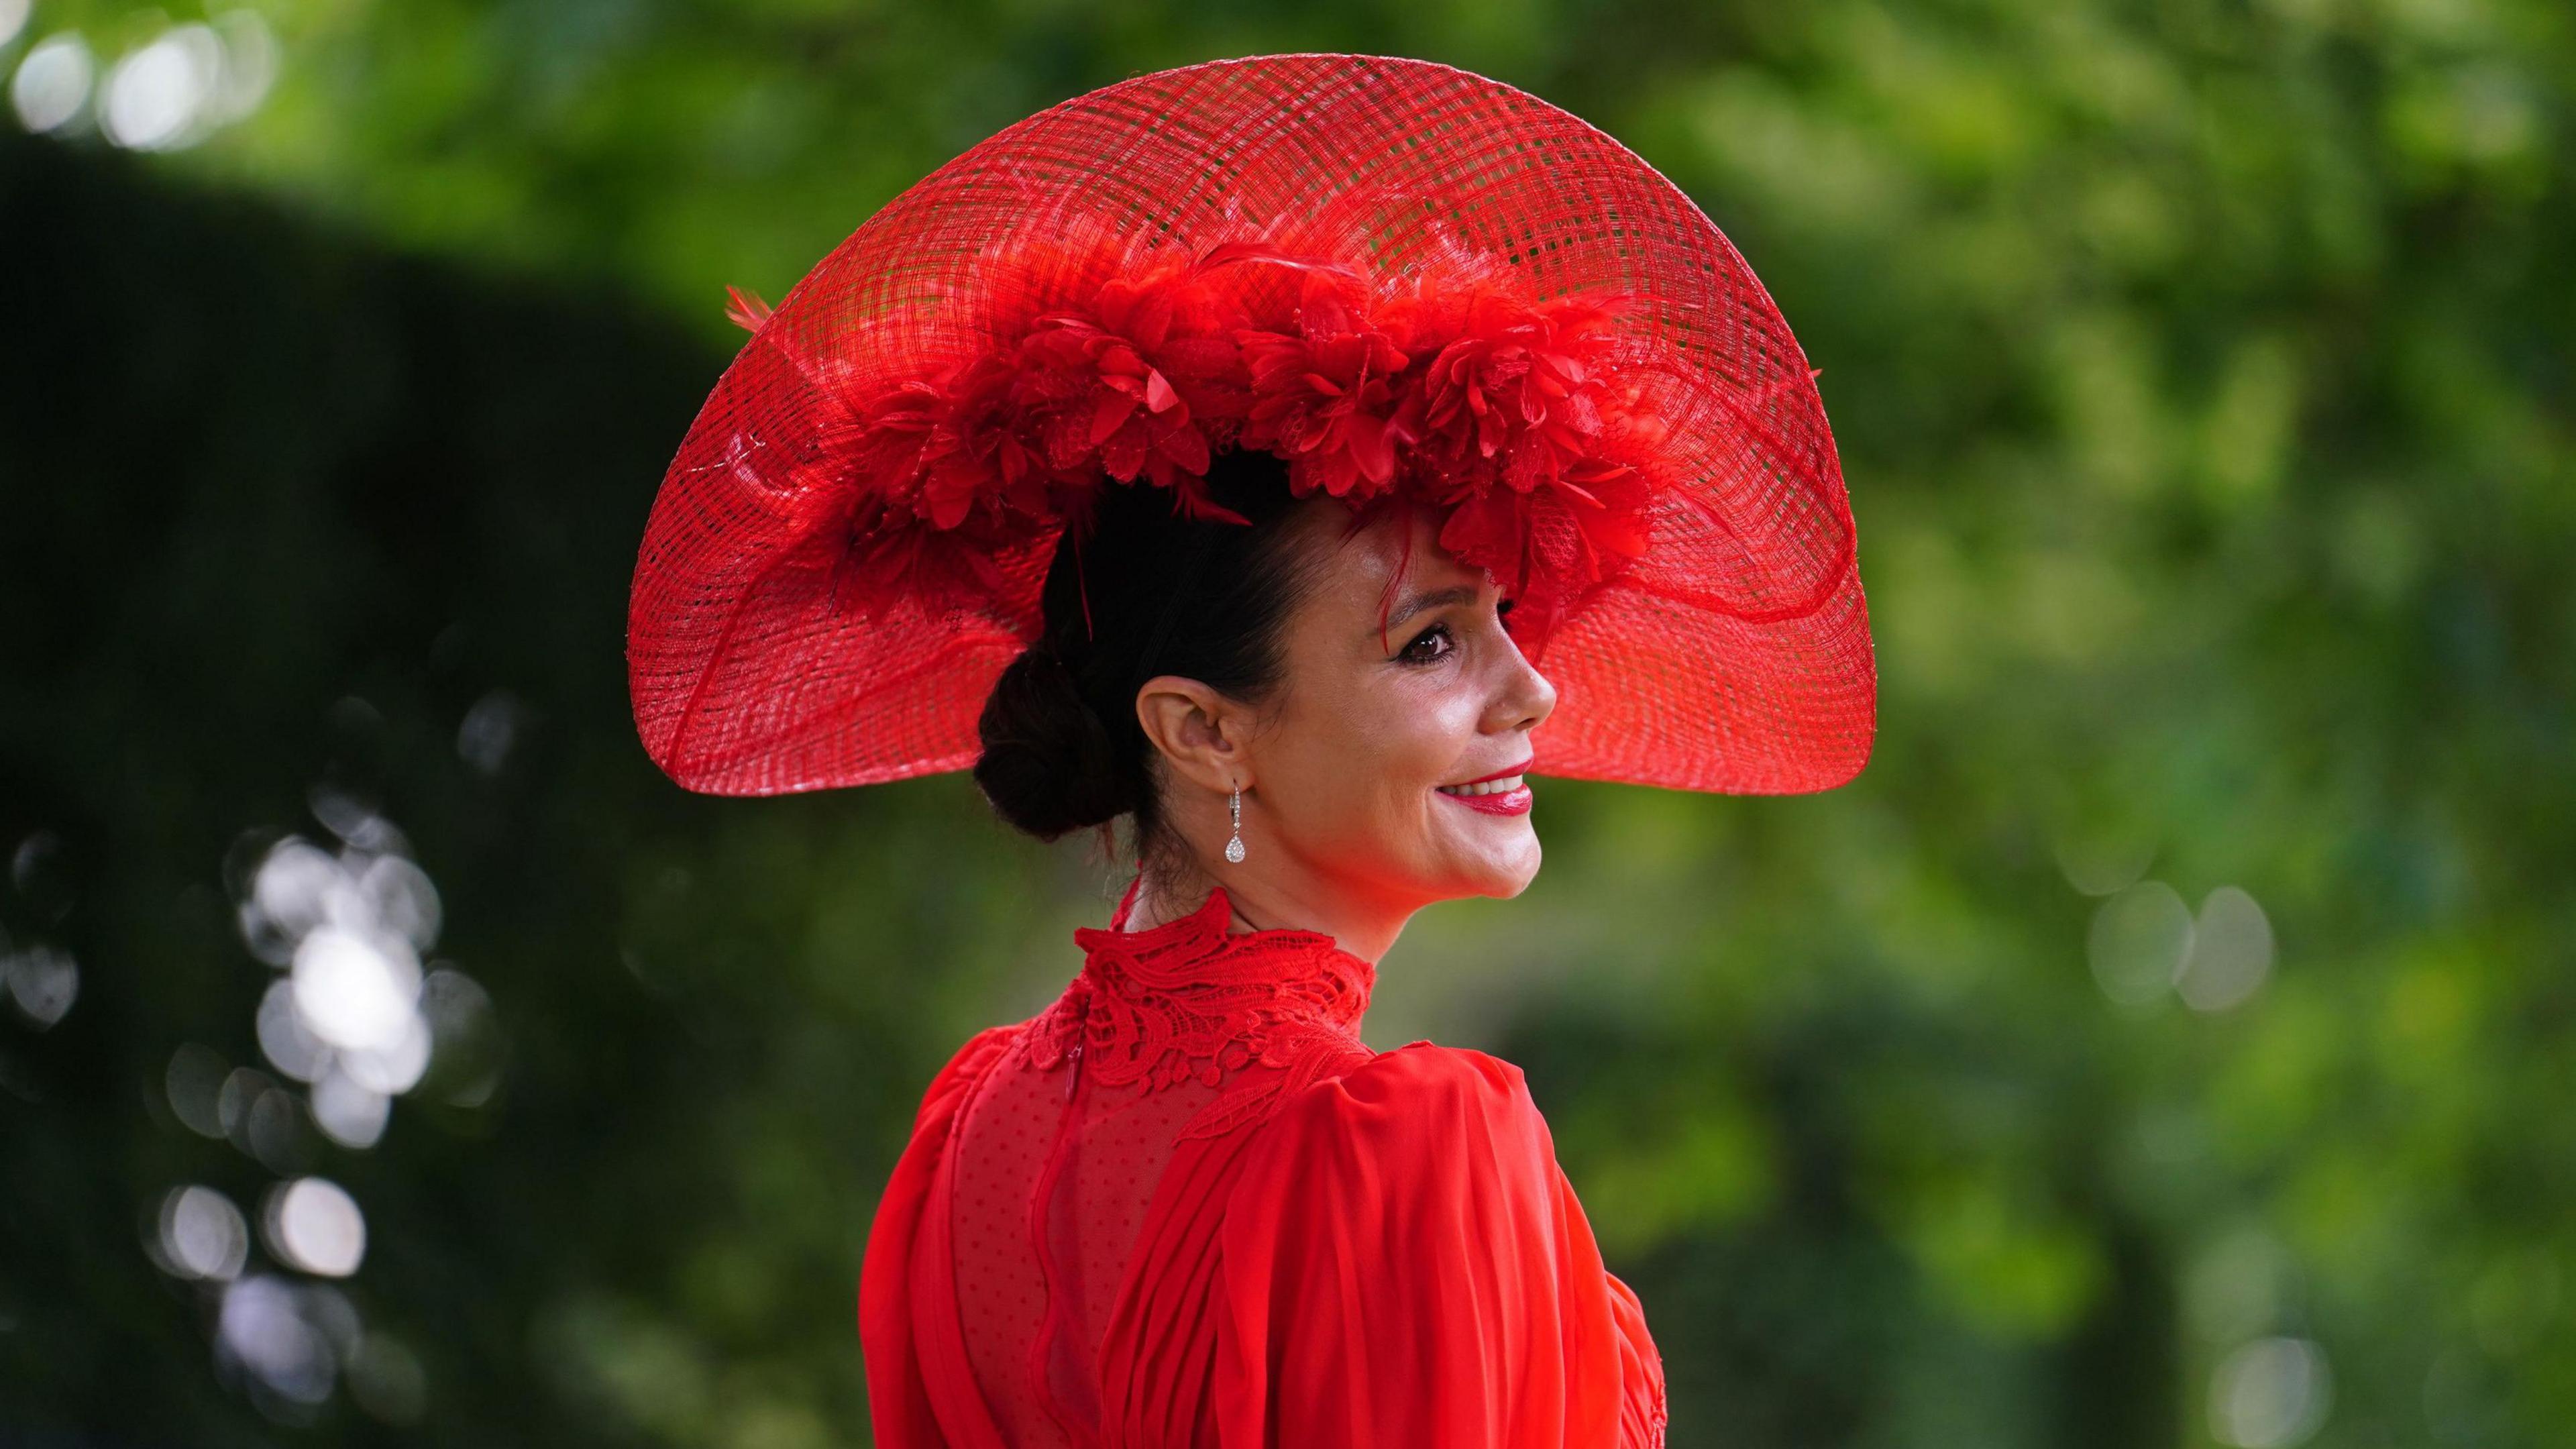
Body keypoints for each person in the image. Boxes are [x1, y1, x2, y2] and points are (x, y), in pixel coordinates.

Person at [627, 53, 1873, 1449]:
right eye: (1431, 643)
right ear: (1204, 732)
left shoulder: (963, 1138)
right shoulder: (1413, 1152)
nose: (1532, 689)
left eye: (1507, 620)